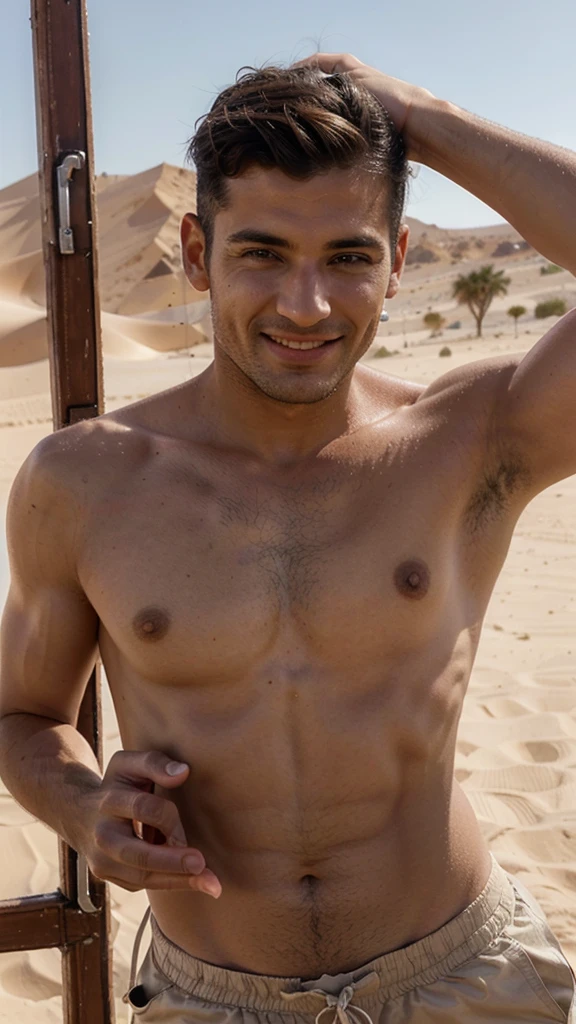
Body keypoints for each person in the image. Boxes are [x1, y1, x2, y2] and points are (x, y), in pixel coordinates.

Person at [0, 52, 575, 1024]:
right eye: (262, 252)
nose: (305, 307)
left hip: (466, 978)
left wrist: (421, 116)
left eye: (348, 257)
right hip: (207, 998)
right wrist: (82, 806)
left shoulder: (475, 435)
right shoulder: (84, 482)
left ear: (396, 262)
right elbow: (22, 715)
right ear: (195, 252)